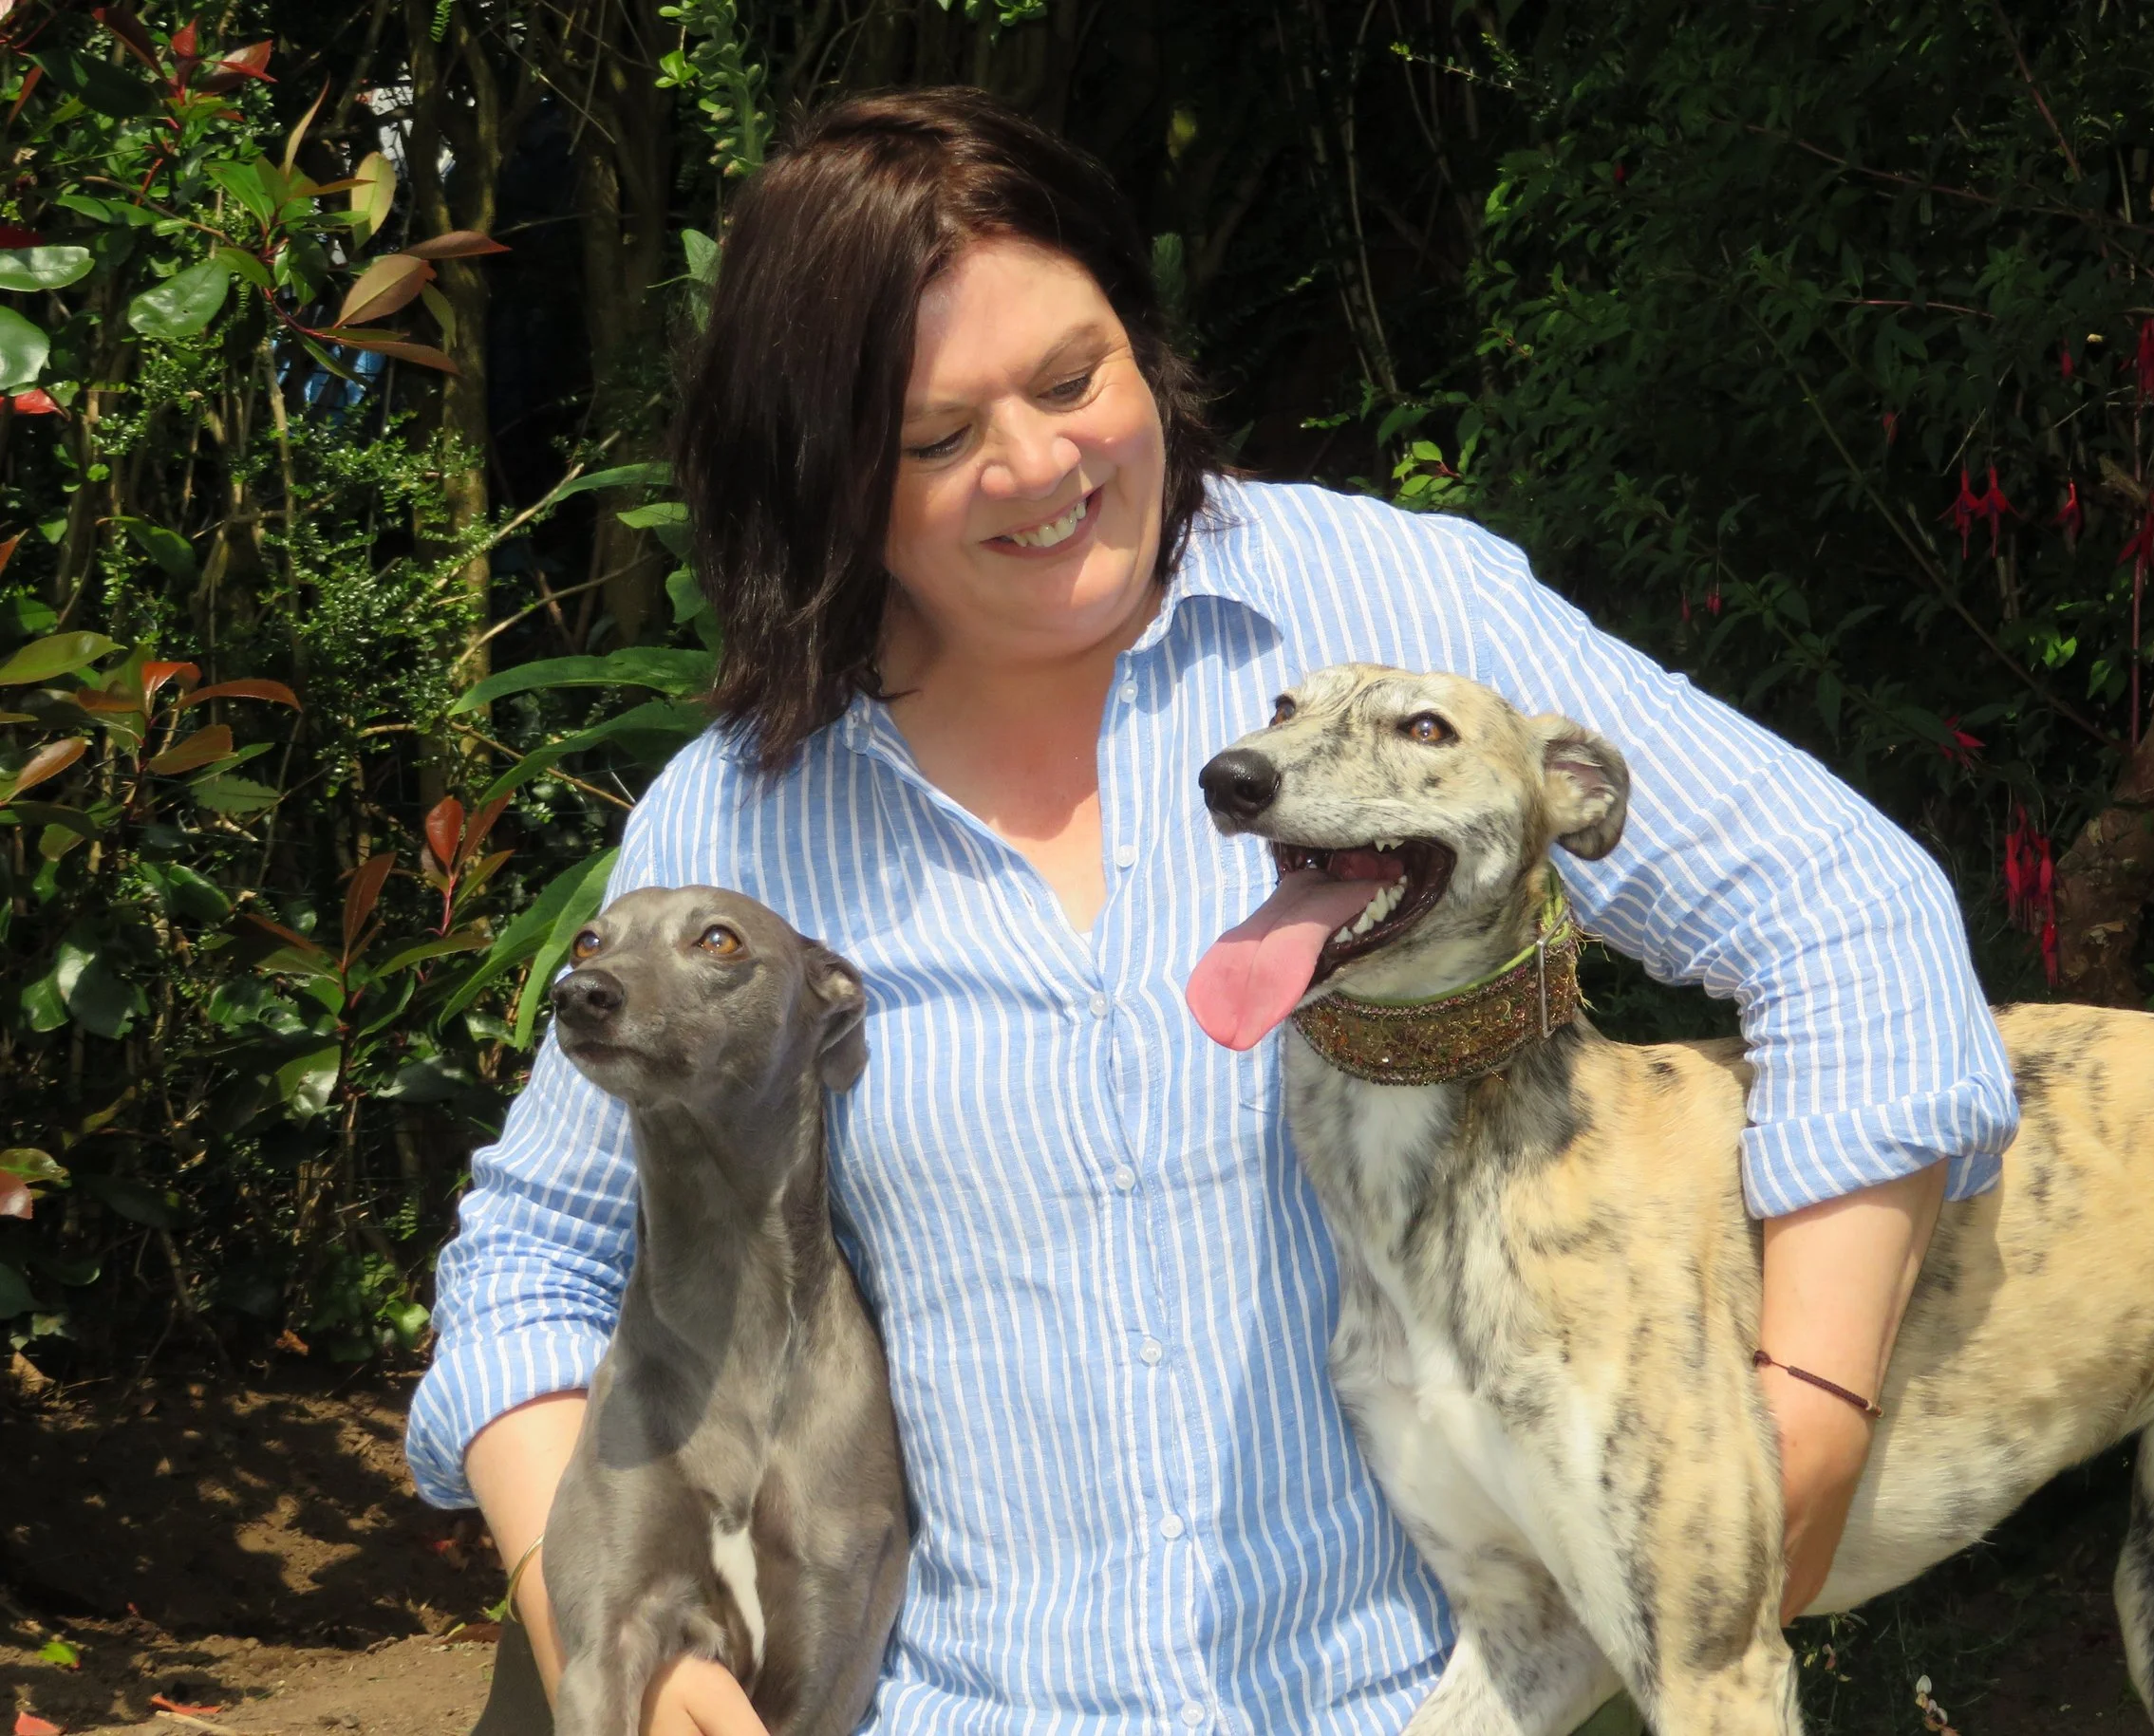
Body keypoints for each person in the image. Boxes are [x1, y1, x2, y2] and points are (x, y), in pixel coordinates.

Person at [405, 86, 2019, 1736]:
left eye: (1072, 377)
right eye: (938, 438)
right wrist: (631, 1655)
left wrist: (1807, 1400)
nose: (1041, 467)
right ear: (825, 476)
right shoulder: (748, 821)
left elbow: (1845, 913)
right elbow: (539, 1262)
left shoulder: (1384, 610)